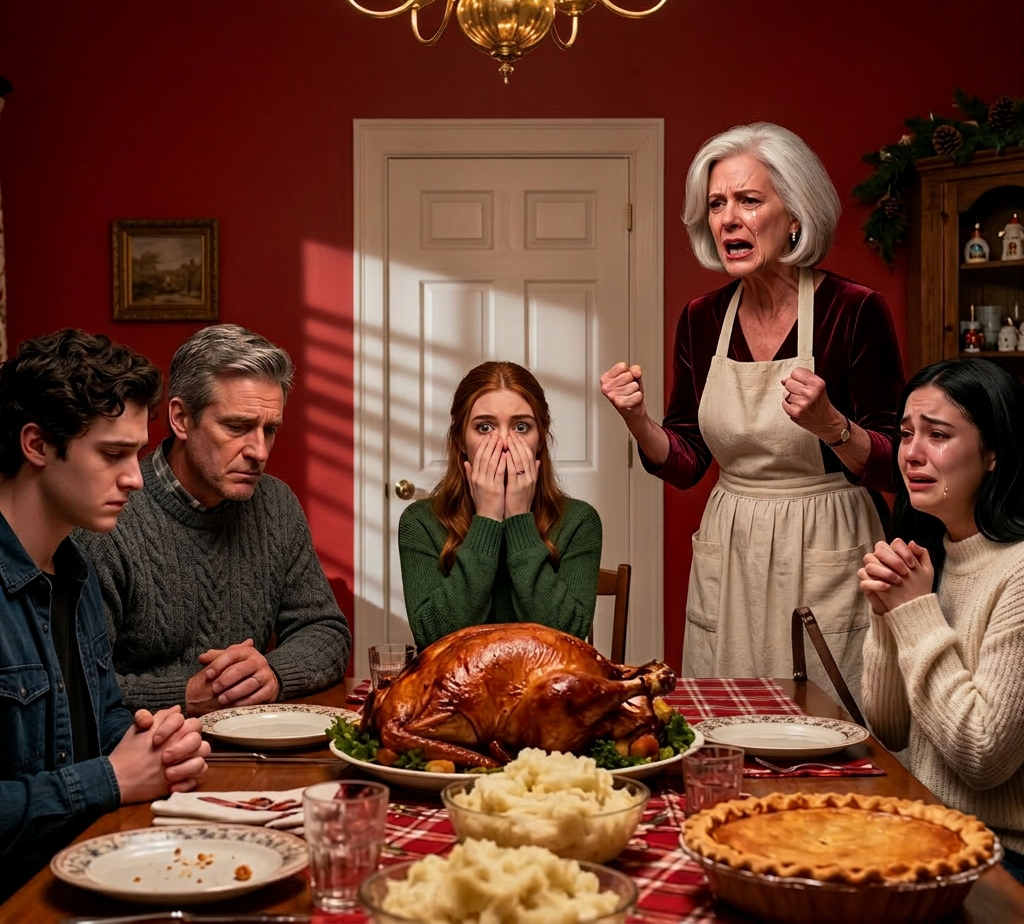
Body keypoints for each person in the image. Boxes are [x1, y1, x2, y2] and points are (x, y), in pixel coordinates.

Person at [601, 123, 903, 697]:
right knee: (726, 713)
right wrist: (638, 421)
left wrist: (832, 427)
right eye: (716, 204)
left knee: (831, 717)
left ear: (795, 215)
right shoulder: (701, 318)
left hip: (827, 540)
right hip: (732, 542)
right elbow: (688, 462)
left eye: (748, 200)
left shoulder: (854, 310)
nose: (727, 219)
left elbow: (895, 465)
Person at [0, 329, 209, 899]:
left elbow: (101, 718)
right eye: (112, 455)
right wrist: (110, 780)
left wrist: (157, 743)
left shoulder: (76, 567)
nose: (136, 479)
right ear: (37, 445)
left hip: (89, 866)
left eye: (137, 455)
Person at [77, 324, 351, 715]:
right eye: (237, 427)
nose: (259, 450)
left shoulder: (275, 503)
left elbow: (325, 630)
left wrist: (271, 673)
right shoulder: (109, 513)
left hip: (256, 742)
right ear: (181, 418)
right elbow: (79, 681)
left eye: (269, 430)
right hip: (149, 749)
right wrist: (185, 695)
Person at [860, 359, 1024, 885]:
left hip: (1001, 859)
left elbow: (982, 756)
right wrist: (888, 616)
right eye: (906, 433)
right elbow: (890, 729)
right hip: (929, 827)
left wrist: (912, 612)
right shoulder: (934, 555)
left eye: (939, 435)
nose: (911, 453)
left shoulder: (1017, 572)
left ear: (994, 452)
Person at [399, 361, 602, 650]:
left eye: (521, 427)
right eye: (484, 427)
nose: (504, 443)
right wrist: (487, 518)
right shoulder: (420, 521)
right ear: (460, 439)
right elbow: (434, 639)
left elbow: (566, 640)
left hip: (546, 690)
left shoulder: (579, 520)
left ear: (540, 438)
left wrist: (520, 518)